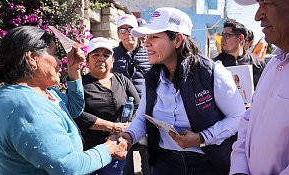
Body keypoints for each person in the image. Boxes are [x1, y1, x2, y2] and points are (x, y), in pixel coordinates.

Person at [117, 7, 246, 175]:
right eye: (146, 37)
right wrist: (127, 137)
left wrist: (201, 138)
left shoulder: (212, 72)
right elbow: (142, 117)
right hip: (165, 164)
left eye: (154, 36)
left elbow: (238, 118)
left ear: (177, 40)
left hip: (207, 164)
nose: (146, 42)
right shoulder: (153, 77)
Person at [0, 26, 127, 175]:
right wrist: (108, 149)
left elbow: (74, 108)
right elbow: (69, 167)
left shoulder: (43, 92)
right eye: (54, 54)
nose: (60, 61)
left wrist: (74, 69)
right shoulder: (26, 106)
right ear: (32, 58)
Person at [230, 0, 289, 174]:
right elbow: (248, 120)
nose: (257, 16)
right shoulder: (274, 62)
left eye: (267, 3)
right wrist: (240, 169)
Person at [74, 37, 140, 175]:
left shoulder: (122, 80)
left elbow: (138, 105)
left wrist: (126, 130)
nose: (101, 58)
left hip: (117, 148)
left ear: (113, 60)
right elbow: (76, 113)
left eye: (106, 55)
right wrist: (110, 126)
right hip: (89, 152)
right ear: (87, 60)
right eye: (95, 55)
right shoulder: (79, 84)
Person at [113, 14, 151, 175]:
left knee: (148, 157)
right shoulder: (112, 55)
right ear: (118, 33)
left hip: (146, 112)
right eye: (123, 29)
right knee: (124, 158)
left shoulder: (149, 52)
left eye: (131, 28)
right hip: (122, 114)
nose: (127, 32)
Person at [215, 19, 265, 88]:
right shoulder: (214, 65)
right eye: (222, 35)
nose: (222, 39)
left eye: (227, 36)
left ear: (241, 38)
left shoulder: (258, 64)